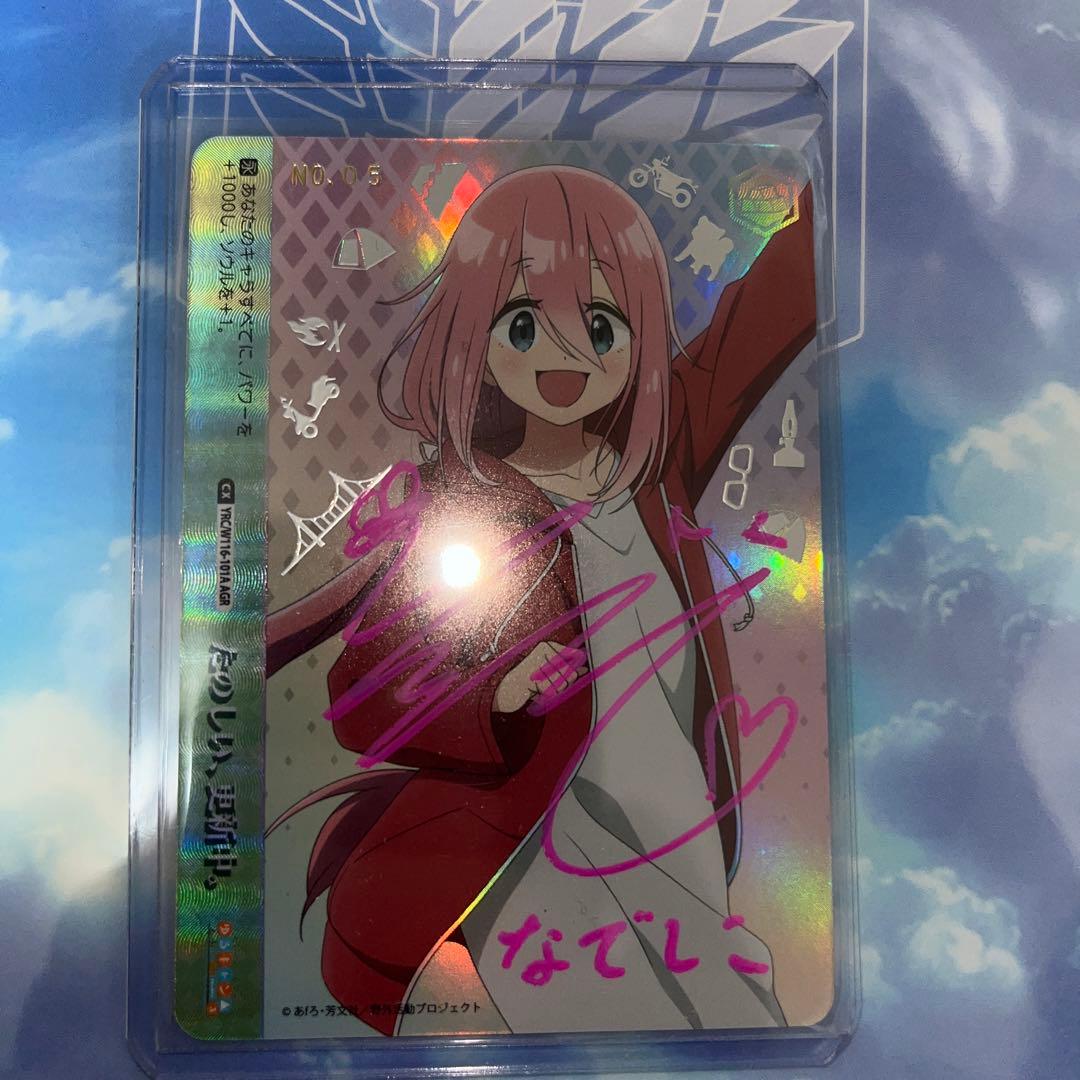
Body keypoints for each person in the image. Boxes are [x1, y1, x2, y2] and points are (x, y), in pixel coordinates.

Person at [266, 164, 816, 1034]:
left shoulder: (653, 460)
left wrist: (839, 200)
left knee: (736, 1017)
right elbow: (364, 691)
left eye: (600, 325)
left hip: (676, 827)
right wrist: (498, 694)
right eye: (523, 324)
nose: (565, 358)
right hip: (537, 851)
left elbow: (763, 317)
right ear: (476, 337)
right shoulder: (461, 505)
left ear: (639, 334)